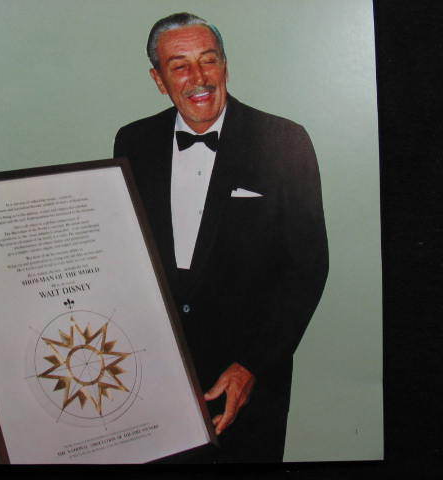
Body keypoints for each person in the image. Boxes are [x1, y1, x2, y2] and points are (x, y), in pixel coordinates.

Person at [113, 13, 328, 462]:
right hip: (157, 373)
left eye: (208, 60)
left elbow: (307, 269)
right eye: (180, 66)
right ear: (159, 80)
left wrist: (251, 365)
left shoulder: (285, 140)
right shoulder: (133, 141)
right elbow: (126, 253)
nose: (199, 78)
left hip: (248, 376)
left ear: (225, 65)